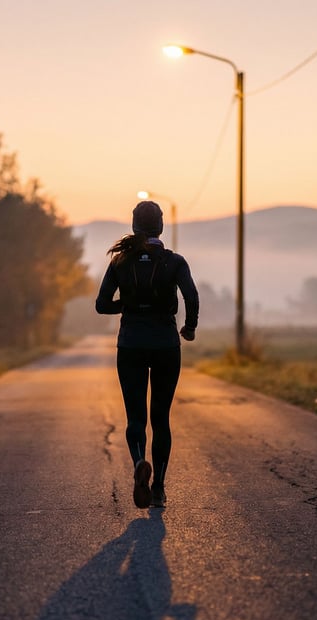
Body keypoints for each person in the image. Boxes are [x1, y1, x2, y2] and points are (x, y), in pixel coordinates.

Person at [96, 200, 199, 509]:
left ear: (133, 227)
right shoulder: (175, 261)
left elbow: (102, 305)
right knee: (161, 419)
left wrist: (128, 305)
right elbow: (191, 296)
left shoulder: (120, 261)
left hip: (130, 345)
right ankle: (159, 488)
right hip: (166, 344)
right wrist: (189, 328)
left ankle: (140, 460)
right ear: (161, 226)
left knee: (135, 418)